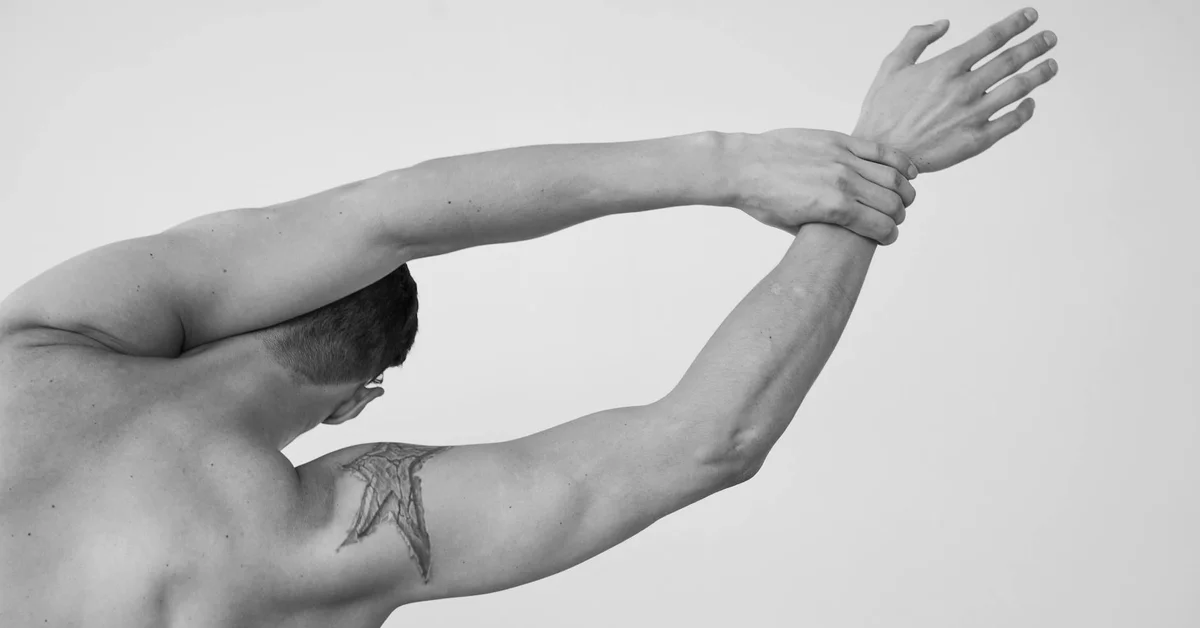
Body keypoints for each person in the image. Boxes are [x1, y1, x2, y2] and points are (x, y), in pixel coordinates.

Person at [0, 8, 1056, 627]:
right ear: (354, 400)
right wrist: (873, 176)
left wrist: (729, 160)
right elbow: (705, 441)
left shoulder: (45, 336)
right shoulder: (294, 545)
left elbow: (388, 210)